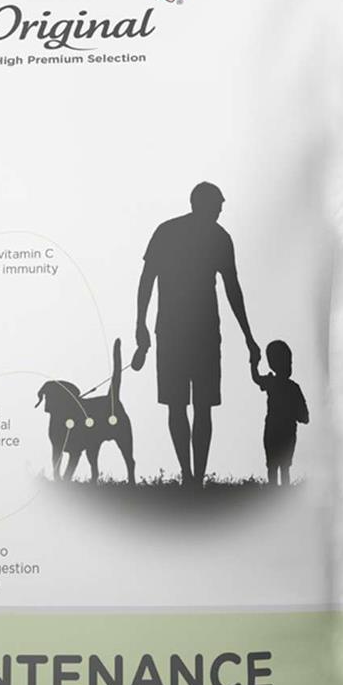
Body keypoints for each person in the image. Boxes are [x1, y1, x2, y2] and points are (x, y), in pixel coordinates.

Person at [135, 181, 261, 485]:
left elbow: (147, 279)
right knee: (192, 406)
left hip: (182, 331)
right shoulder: (213, 237)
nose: (221, 210)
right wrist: (139, 324)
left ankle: (193, 477)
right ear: (203, 204)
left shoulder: (173, 232)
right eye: (218, 205)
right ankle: (193, 477)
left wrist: (140, 324)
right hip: (192, 332)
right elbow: (148, 279)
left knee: (184, 405)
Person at [251, 339, 309, 487]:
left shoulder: (273, 383)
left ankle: (275, 491)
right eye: (288, 361)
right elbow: (304, 417)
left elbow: (256, 378)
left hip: (275, 430)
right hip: (284, 431)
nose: (289, 365)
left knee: (275, 466)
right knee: (282, 466)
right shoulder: (292, 387)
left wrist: (254, 363)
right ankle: (282, 492)